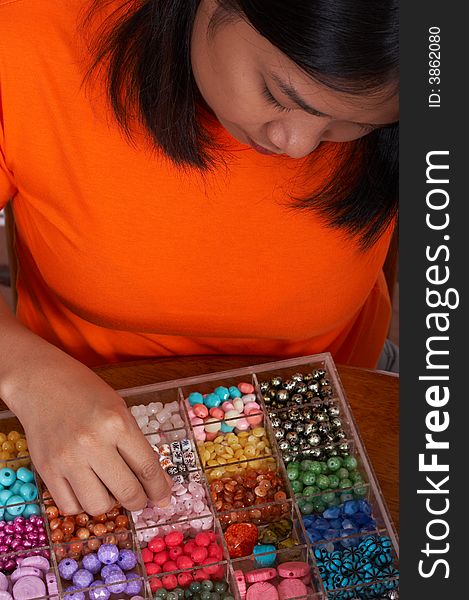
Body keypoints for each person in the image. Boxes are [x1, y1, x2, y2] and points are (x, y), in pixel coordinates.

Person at [0, 0, 399, 516]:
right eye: (277, 93)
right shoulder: (26, 36)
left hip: (334, 402)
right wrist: (24, 372)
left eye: (355, 124)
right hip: (63, 407)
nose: (298, 146)